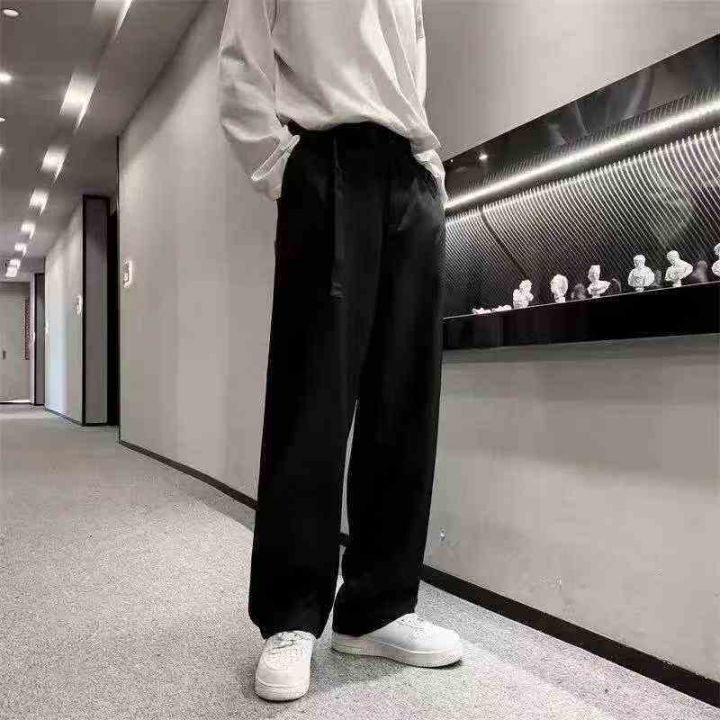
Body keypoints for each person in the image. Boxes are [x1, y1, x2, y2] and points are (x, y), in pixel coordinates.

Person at [218, 0, 462, 703]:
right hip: (325, 161)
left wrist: (429, 169)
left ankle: (377, 607)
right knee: (312, 397)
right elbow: (241, 62)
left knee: (404, 397)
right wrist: (283, 167)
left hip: (409, 173)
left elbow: (404, 67)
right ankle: (291, 614)